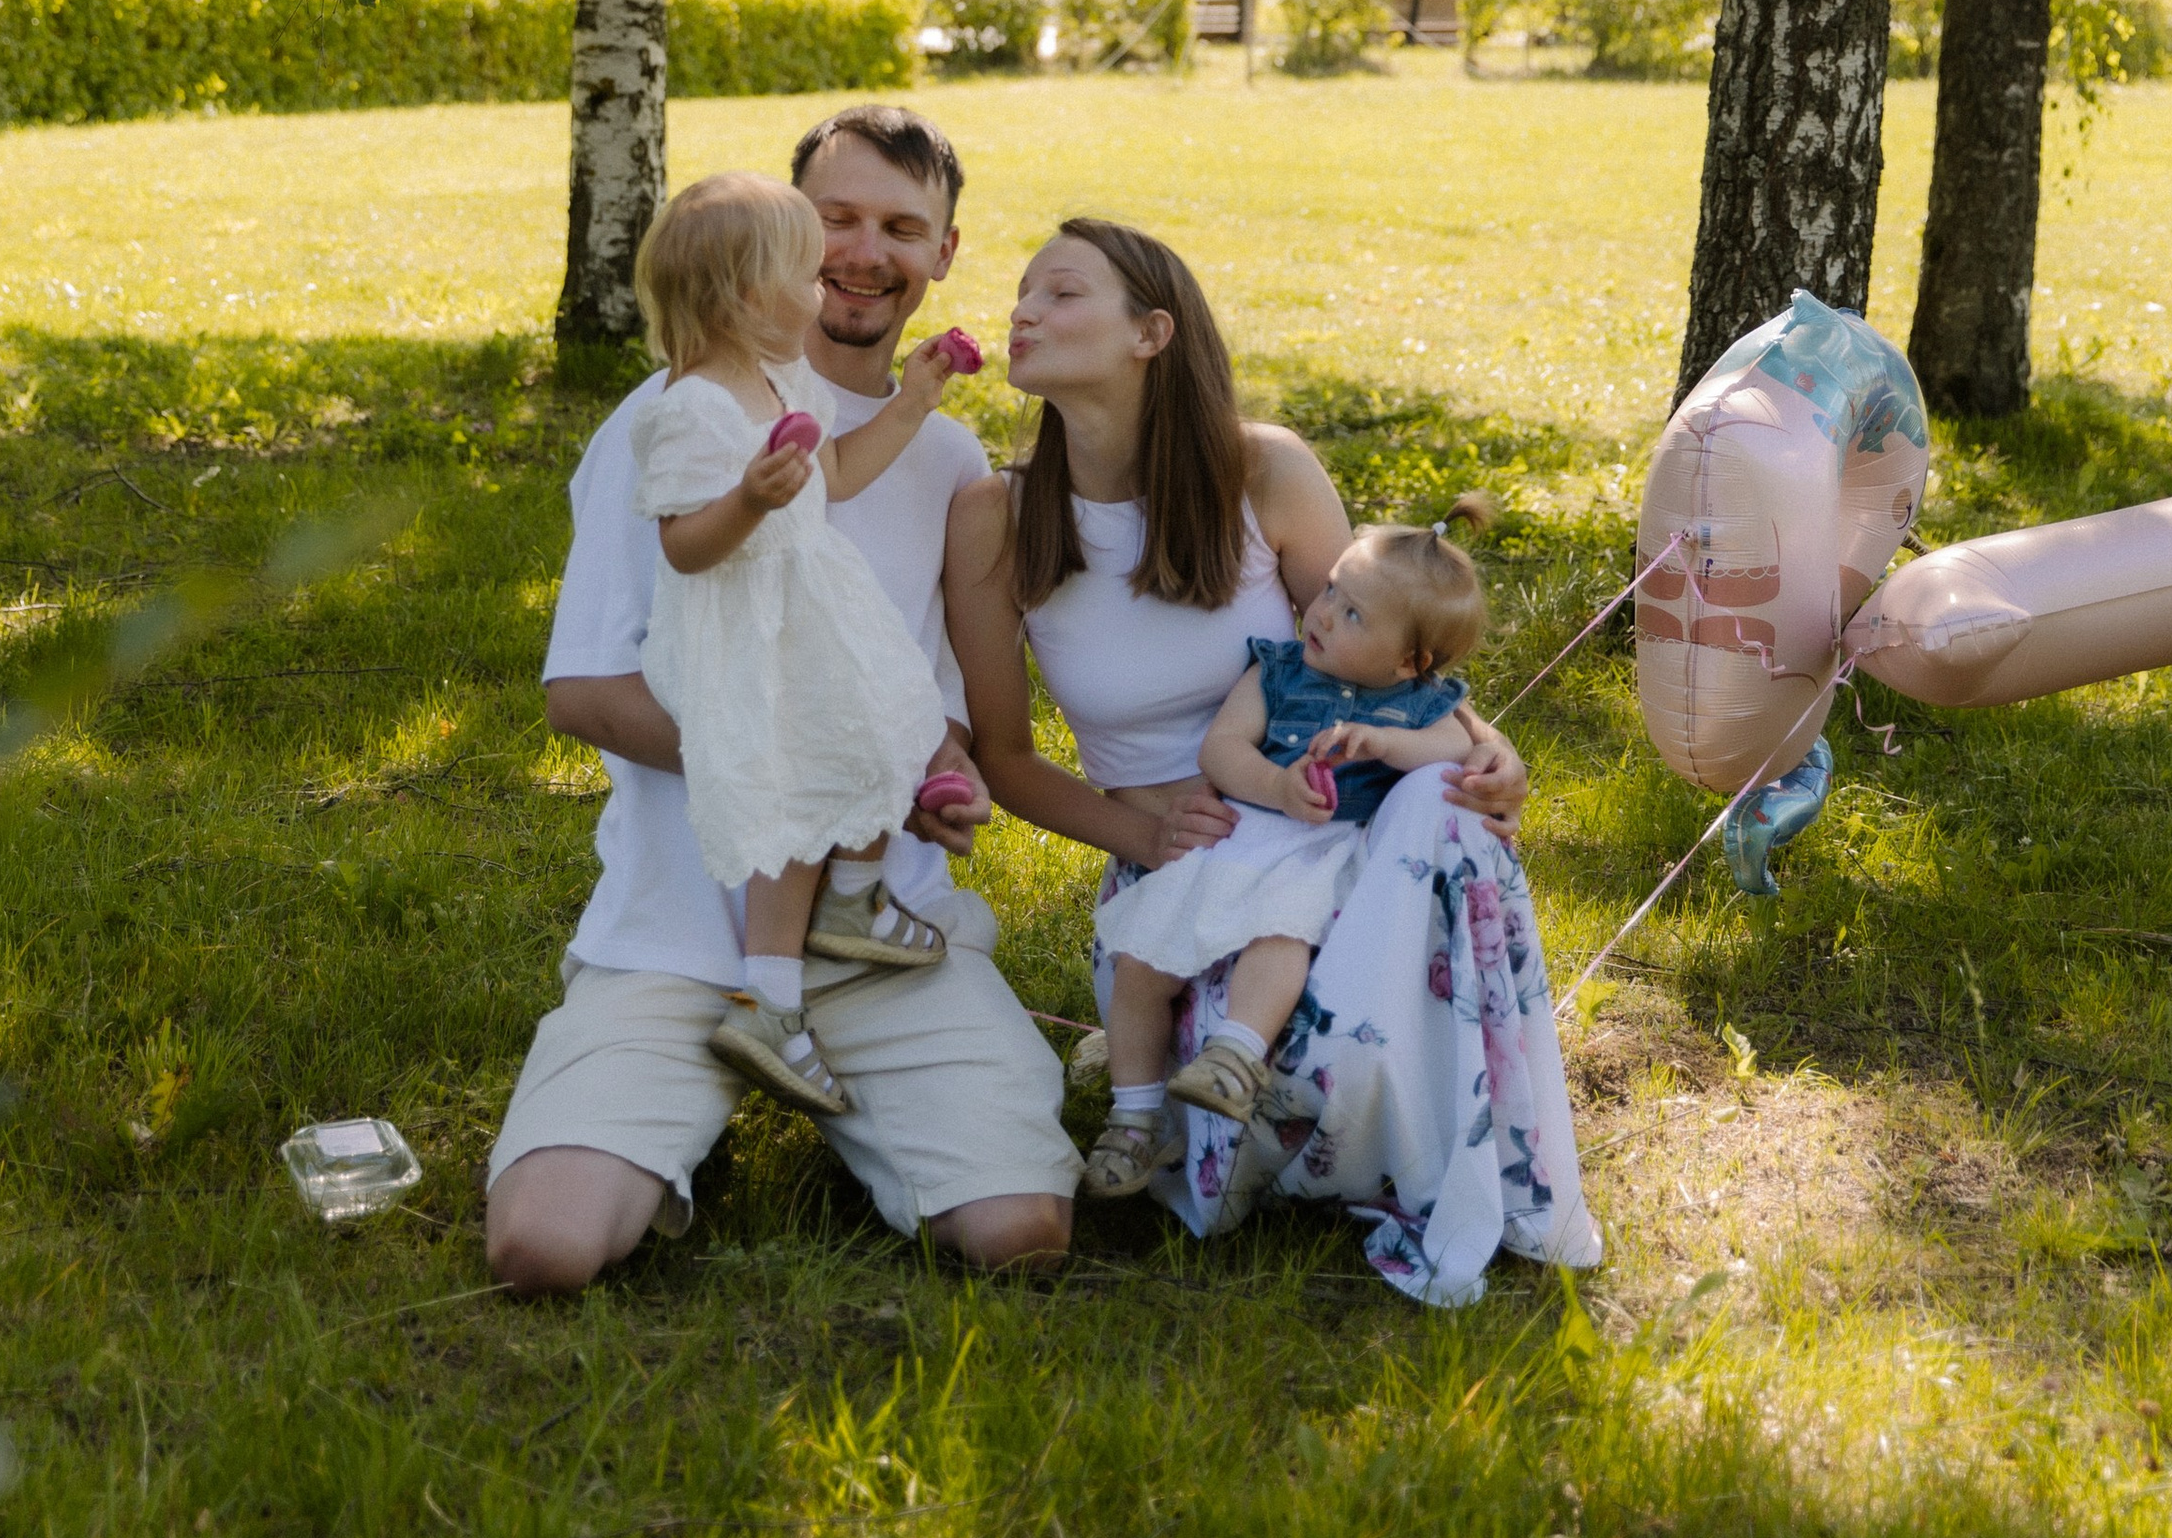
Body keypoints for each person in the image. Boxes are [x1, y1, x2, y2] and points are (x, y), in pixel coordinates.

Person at [946, 218, 1599, 1306]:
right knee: (1281, 1083)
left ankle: (1486, 1140)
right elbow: (1005, 758)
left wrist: (1494, 753)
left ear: (1152, 333)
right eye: (1022, 292)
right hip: (1181, 879)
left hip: (1335, 846)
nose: (1023, 311)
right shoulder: (997, 517)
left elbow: (1382, 656)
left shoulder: (1264, 473)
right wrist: (1146, 833)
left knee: (1445, 802)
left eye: (1059, 292)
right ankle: (1226, 1091)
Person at [486, 108, 1080, 1292]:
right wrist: (812, 760)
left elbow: (932, 712)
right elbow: (584, 696)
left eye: (900, 228)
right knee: (544, 1247)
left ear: (944, 253)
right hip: (675, 939)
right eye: (834, 220)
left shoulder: (947, 462)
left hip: (875, 934)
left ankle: (844, 1067)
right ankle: (691, 1091)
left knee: (1019, 1232)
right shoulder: (671, 421)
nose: (861, 254)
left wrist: (937, 778)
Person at [628, 170, 969, 1118]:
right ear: (747, 295)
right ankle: (769, 998)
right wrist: (748, 499)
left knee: (889, 724)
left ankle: (853, 893)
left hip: (812, 608)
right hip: (747, 629)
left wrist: (915, 398)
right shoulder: (691, 408)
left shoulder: (784, 377)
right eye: (808, 276)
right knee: (799, 784)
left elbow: (840, 474)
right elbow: (682, 547)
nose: (824, 292)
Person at [1088, 511, 1487, 1186]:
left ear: (1410, 662)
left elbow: (1456, 746)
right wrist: (1277, 785)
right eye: (1331, 589)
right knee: (1142, 962)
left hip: (1320, 854)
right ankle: (1133, 1120)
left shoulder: (1421, 703)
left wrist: (1385, 743)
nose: (1323, 614)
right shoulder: (1275, 671)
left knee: (1282, 935)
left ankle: (1236, 1056)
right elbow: (1222, 748)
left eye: (1353, 614)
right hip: (1242, 835)